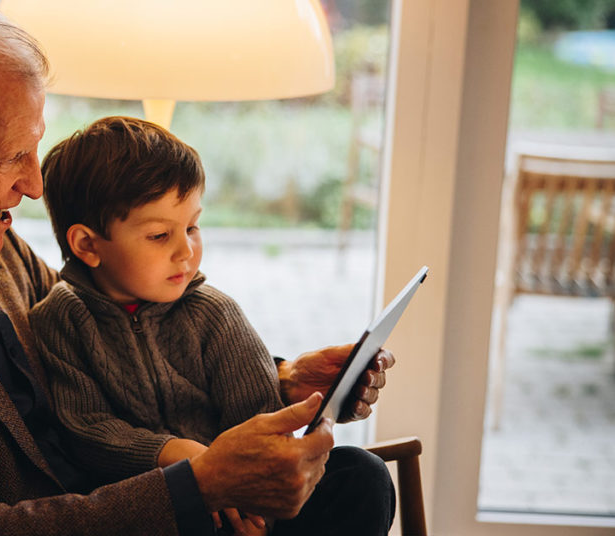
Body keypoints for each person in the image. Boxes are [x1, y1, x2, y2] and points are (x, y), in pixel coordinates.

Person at [0, 2, 396, 535]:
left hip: (110, 497)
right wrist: (197, 488)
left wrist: (279, 382)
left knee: (353, 479)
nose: (33, 184)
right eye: (13, 155)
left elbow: (104, 349)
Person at [29, 116, 391, 536]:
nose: (186, 250)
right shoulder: (60, 319)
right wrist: (180, 456)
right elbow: (86, 429)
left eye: (192, 226)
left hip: (250, 506)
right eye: (160, 236)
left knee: (363, 474)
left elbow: (259, 413)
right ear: (88, 245)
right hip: (156, 510)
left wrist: (254, 498)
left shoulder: (214, 313)